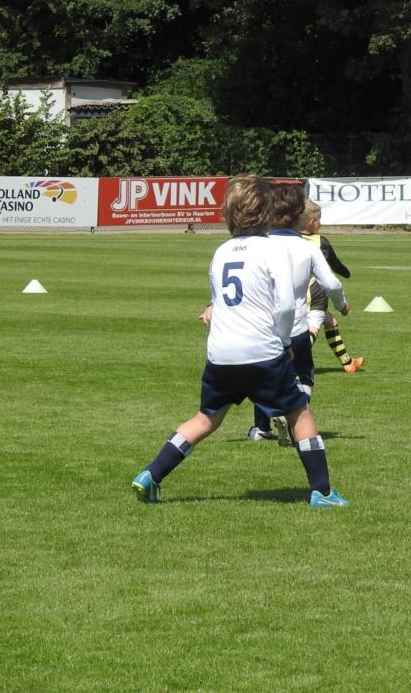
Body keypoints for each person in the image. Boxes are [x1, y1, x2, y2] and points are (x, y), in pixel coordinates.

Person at [132, 174, 349, 508]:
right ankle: (322, 492)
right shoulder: (274, 250)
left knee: (206, 419)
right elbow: (286, 306)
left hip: (221, 353)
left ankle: (150, 474)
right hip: (260, 350)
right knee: (299, 414)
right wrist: (284, 343)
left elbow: (217, 303)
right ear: (267, 214)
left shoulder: (220, 253)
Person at [246, 185, 352, 445]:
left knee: (265, 376)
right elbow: (332, 283)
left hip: (263, 325)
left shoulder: (260, 244)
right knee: (304, 375)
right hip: (296, 325)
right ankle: (296, 424)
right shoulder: (309, 248)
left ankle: (261, 428)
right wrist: (342, 304)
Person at [301, 200, 364, 375]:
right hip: (315, 294)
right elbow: (335, 264)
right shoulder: (320, 242)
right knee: (313, 328)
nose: (320, 223)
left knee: (331, 322)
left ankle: (348, 363)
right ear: (312, 222)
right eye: (319, 219)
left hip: (294, 293)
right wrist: (347, 274)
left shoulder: (291, 239)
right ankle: (287, 364)